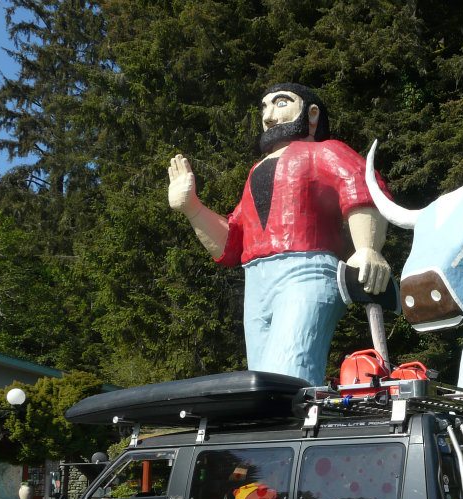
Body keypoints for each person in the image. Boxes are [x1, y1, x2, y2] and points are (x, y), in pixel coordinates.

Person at [168, 83, 391, 384]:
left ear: (312, 114)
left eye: (281, 103)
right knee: (260, 379)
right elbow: (232, 242)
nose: (268, 116)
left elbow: (360, 185)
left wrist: (367, 247)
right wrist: (192, 208)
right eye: (264, 107)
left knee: (288, 370)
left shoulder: (324, 151)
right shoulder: (255, 172)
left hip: (307, 270)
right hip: (256, 281)